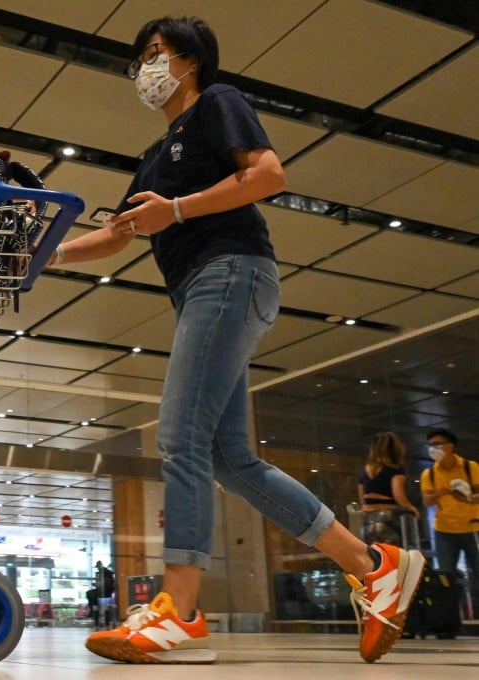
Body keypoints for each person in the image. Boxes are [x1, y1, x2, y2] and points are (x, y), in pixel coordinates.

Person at [51, 16, 425, 665]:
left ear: (190, 59)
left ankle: (182, 614)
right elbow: (116, 234)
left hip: (230, 273)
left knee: (180, 438)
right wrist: (44, 258)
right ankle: (373, 565)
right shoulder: (153, 156)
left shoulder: (217, 106)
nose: (146, 68)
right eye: (141, 59)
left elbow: (268, 174)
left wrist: (175, 210)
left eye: (156, 53)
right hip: (208, 288)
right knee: (230, 458)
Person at [420, 429, 478, 590]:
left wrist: (469, 497)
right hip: (444, 530)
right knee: (446, 575)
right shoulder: (429, 473)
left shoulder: (469, 467)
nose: (433, 449)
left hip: (473, 527)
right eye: (430, 445)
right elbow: (427, 502)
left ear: (450, 446)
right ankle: (449, 612)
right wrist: (441, 492)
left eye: (437, 444)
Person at [357, 432, 421, 546]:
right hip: (389, 519)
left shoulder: (364, 471)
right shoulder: (395, 470)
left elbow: (362, 499)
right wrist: (411, 508)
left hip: (367, 520)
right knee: (395, 559)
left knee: (375, 560)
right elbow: (398, 495)